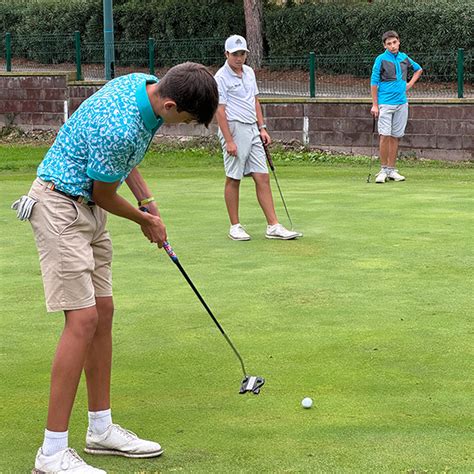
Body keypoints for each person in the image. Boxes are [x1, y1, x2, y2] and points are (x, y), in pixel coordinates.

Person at [12, 62, 218, 473]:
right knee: (83, 320)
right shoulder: (120, 127)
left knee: (103, 313)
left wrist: (147, 201)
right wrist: (145, 222)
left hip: (86, 209)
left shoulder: (141, 84)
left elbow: (127, 162)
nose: (181, 127)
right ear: (171, 103)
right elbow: (105, 192)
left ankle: (100, 429)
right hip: (59, 207)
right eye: (185, 120)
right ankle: (51, 454)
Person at [214, 35, 301, 241]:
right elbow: (220, 111)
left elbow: (255, 101)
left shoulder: (250, 72)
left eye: (242, 53)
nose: (239, 58)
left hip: (253, 129)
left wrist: (262, 128)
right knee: (233, 178)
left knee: (262, 176)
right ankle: (235, 226)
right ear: (226, 54)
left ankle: (273, 225)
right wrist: (229, 140)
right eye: (235, 54)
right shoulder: (220, 77)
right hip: (234, 129)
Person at [370, 30, 422, 183]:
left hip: (402, 103)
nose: (392, 46)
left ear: (398, 41)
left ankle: (392, 170)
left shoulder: (404, 57)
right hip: (385, 103)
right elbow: (374, 82)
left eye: (394, 42)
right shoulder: (380, 59)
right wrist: (375, 105)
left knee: (395, 137)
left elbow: (418, 69)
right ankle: (383, 170)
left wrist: (410, 84)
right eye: (389, 44)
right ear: (384, 46)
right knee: (384, 136)